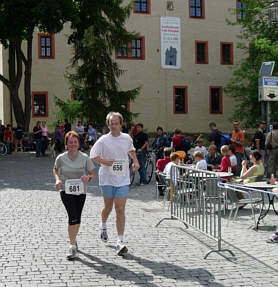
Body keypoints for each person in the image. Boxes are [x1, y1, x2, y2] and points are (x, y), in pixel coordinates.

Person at [90, 112, 140, 256]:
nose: (113, 125)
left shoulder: (126, 138)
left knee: (119, 208)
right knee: (108, 207)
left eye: (116, 123)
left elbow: (131, 150)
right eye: (111, 123)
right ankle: (103, 224)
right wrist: (106, 162)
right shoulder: (103, 140)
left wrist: (135, 161)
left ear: (121, 124)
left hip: (122, 179)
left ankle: (120, 241)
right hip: (107, 179)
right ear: (108, 124)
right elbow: (93, 156)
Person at [53, 131, 95, 259]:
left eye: (75, 142)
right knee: (73, 216)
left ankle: (73, 238)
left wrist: (88, 177)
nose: (72, 144)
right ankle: (72, 246)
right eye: (70, 142)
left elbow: (92, 174)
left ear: (78, 143)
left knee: (78, 217)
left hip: (81, 191)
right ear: (66, 144)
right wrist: (57, 179)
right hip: (66, 190)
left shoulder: (85, 158)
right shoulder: (61, 158)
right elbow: (55, 169)